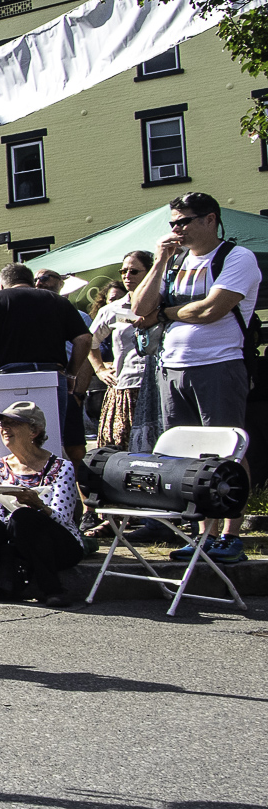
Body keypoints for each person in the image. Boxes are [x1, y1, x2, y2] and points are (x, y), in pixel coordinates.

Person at [128, 191, 261, 566]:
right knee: (187, 457)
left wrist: (165, 314)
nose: (177, 230)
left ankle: (231, 535)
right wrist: (160, 261)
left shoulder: (237, 257)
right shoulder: (175, 261)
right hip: (173, 367)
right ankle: (203, 534)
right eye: (172, 223)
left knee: (228, 448)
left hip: (219, 363)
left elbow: (209, 310)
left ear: (210, 220)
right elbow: (139, 308)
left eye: (183, 222)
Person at [0, 402, 86, 606]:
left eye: (13, 424)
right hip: (15, 540)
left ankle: (52, 589)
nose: (5, 429)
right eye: (2, 424)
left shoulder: (61, 467)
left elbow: (63, 518)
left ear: (34, 431)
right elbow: (1, 519)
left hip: (59, 544)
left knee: (24, 517)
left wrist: (39, 506)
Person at [0, 259, 93, 462]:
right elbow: (84, 339)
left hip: (8, 376)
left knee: (11, 440)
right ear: (31, 281)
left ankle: (16, 486)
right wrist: (71, 373)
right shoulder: (57, 301)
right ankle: (51, 487)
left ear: (2, 285)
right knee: (50, 439)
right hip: (52, 375)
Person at [90, 252, 160, 453]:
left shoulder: (164, 303)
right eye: (124, 271)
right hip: (127, 387)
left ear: (150, 272)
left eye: (134, 271)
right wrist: (100, 369)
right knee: (122, 447)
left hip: (158, 384)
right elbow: (89, 342)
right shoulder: (112, 310)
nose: (127, 276)